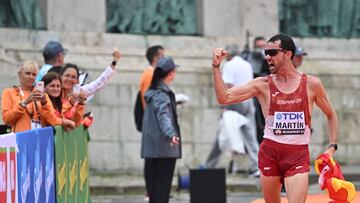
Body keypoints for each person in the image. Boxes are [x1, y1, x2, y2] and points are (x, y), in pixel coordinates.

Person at [211, 34, 338, 203]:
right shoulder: (262, 84)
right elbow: (224, 98)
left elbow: (331, 114)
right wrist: (215, 66)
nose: (268, 57)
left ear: (288, 54)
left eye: (272, 52)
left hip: (297, 155)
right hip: (270, 153)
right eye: (266, 53)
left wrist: (332, 146)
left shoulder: (311, 84)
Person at [204, 44, 259, 177]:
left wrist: (224, 107)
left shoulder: (229, 65)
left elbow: (227, 85)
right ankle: (257, 165)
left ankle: (209, 165)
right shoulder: (247, 64)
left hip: (235, 100)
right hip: (248, 99)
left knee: (224, 131)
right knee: (250, 135)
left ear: (228, 54)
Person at [141, 56, 181, 203]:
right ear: (170, 74)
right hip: (164, 150)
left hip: (153, 150)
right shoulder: (161, 95)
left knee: (155, 191)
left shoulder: (153, 93)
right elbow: (163, 116)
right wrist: (171, 134)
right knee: (161, 192)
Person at [1, 61, 75, 132]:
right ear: (20, 74)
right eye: (27, 73)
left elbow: (52, 120)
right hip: (19, 139)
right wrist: (25, 103)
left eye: (34, 74)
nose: (31, 77)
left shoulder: (43, 94)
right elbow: (7, 119)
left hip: (39, 138)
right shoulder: (9, 93)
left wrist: (44, 103)